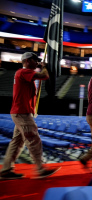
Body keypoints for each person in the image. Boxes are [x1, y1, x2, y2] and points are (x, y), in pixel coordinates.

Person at [0, 52, 61, 180]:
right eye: (35, 60)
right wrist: (44, 66)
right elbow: (44, 76)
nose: (37, 62)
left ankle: (6, 170)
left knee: (17, 142)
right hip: (22, 113)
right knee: (33, 139)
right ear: (27, 61)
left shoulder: (22, 73)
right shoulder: (24, 71)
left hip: (20, 112)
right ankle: (40, 169)